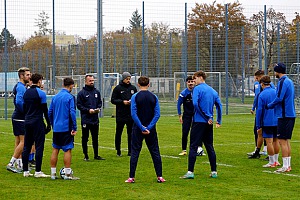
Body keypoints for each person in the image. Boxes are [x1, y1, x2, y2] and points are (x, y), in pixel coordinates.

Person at [181, 70, 222, 179]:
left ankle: (190, 172)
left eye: (194, 78)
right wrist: (218, 120)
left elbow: (195, 103)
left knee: (193, 146)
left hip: (199, 122)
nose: (193, 81)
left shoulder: (197, 89)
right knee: (209, 146)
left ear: (200, 77)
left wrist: (205, 117)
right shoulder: (213, 91)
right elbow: (219, 106)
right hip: (209, 123)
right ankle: (214, 172)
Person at [125, 76, 165, 183]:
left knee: (135, 152)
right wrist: (149, 127)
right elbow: (157, 114)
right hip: (150, 129)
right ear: (149, 84)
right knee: (155, 152)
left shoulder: (135, 97)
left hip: (138, 129)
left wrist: (141, 127)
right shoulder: (154, 97)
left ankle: (131, 177)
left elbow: (133, 114)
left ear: (138, 84)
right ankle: (160, 176)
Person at [266, 63, 296, 173]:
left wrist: (269, 106)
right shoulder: (290, 81)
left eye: (275, 71)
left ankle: (285, 166)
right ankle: (287, 165)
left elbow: (279, 98)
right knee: (286, 141)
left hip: (284, 115)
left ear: (278, 71)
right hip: (290, 114)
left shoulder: (283, 82)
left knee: (282, 141)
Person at [49, 77, 79, 180]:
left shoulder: (55, 97)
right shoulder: (70, 97)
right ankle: (67, 174)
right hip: (66, 128)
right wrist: (74, 127)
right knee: (67, 150)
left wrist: (53, 124)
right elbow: (72, 112)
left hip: (56, 128)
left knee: (55, 149)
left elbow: (50, 112)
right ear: (71, 85)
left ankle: (53, 174)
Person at [22, 73, 51, 178]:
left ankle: (25, 170)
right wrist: (49, 123)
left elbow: (24, 108)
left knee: (27, 146)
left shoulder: (26, 93)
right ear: (39, 81)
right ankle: (38, 171)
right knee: (39, 146)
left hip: (27, 121)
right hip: (37, 122)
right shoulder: (41, 93)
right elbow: (45, 110)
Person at [7, 67, 31, 173]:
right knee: (24, 141)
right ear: (21, 76)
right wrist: (26, 111)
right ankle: (11, 163)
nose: (29, 77)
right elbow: (19, 101)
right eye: (27, 75)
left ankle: (19, 164)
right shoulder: (21, 87)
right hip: (20, 117)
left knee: (18, 141)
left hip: (17, 117)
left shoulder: (19, 86)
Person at [77, 74, 105, 161]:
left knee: (95, 137)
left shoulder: (96, 92)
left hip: (95, 119)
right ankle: (86, 155)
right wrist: (88, 110)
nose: (92, 82)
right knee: (85, 138)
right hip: (86, 119)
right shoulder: (81, 93)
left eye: (93, 80)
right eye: (90, 81)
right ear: (86, 81)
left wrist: (98, 108)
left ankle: (96, 155)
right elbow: (79, 105)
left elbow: (100, 102)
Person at [255, 75, 280, 167]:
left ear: (262, 84)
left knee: (269, 142)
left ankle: (271, 162)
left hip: (267, 121)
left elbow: (260, 110)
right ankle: (276, 160)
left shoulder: (262, 95)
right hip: (277, 120)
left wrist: (258, 125)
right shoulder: (276, 92)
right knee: (276, 141)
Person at [177, 76, 205, 156]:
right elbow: (179, 104)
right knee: (185, 132)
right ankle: (184, 150)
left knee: (198, 133)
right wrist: (180, 115)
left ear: (194, 82)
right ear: (186, 83)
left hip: (197, 115)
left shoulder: (197, 91)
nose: (190, 83)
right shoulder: (183, 93)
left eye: (192, 81)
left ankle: (199, 149)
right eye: (189, 82)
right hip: (187, 116)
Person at [111, 72, 137, 156]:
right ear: (123, 79)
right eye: (127, 79)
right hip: (121, 114)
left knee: (131, 133)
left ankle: (130, 150)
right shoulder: (118, 88)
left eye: (129, 79)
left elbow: (136, 99)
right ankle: (118, 150)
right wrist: (122, 102)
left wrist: (131, 102)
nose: (128, 80)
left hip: (130, 114)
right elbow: (113, 100)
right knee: (119, 132)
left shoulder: (133, 88)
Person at [248, 70, 269, 158]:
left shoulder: (260, 84)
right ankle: (263, 149)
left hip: (263, 111)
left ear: (258, 77)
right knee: (263, 130)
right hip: (265, 110)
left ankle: (260, 149)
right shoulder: (267, 85)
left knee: (259, 130)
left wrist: (253, 108)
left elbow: (257, 96)